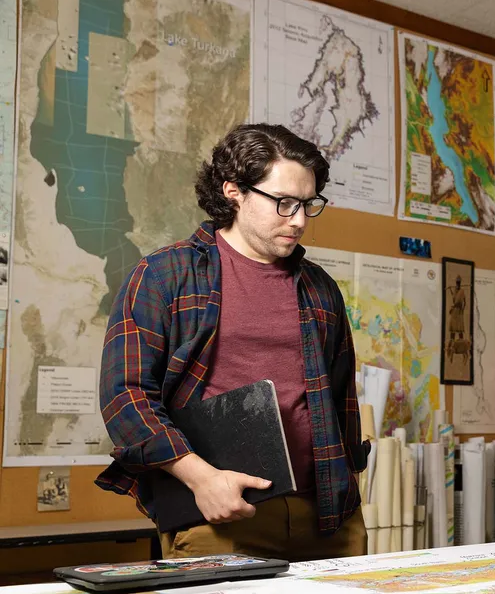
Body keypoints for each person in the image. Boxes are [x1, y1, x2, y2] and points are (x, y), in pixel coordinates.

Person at [97, 123, 367, 560]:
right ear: (233, 191)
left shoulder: (321, 289)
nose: (298, 220)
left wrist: (347, 486)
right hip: (218, 516)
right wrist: (202, 480)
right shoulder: (165, 276)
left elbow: (340, 402)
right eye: (283, 203)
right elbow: (125, 398)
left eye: (307, 204)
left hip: (329, 517)